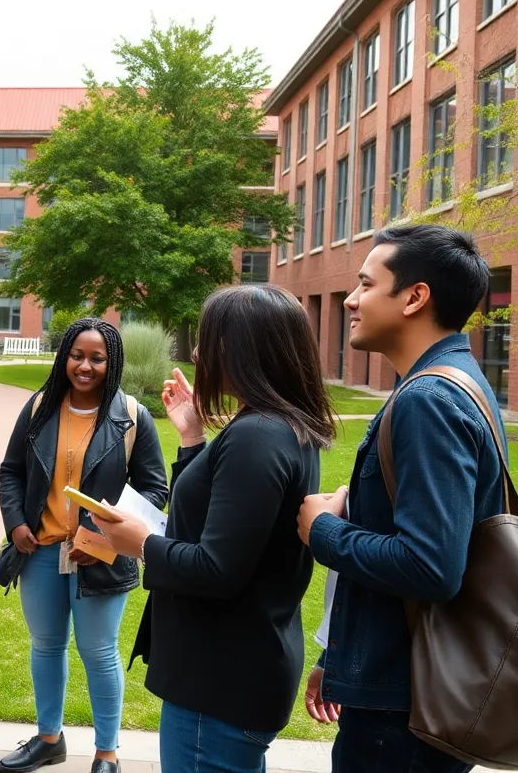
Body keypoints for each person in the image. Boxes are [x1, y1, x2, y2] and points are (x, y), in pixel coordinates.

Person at [94, 285, 337, 773]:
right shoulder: (276, 425)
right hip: (239, 670)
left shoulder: (258, 435)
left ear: (244, 350)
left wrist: (139, 543)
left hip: (221, 682)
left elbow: (217, 568)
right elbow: (208, 517)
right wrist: (191, 438)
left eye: (210, 340)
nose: (200, 353)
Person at [296, 225, 502, 773]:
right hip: (404, 685)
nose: (351, 299)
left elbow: (431, 565)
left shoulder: (429, 400)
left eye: (366, 284)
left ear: (414, 297)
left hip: (402, 716)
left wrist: (323, 529)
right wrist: (339, 655)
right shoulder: (456, 382)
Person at [0, 318, 169, 773]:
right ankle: (49, 739)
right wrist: (15, 522)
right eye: (77, 355)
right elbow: (10, 472)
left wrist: (102, 539)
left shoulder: (131, 417)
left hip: (101, 556)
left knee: (98, 652)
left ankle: (107, 753)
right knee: (46, 646)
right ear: (64, 357)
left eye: (97, 358)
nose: (85, 366)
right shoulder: (38, 410)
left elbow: (154, 490)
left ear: (112, 363)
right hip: (42, 553)